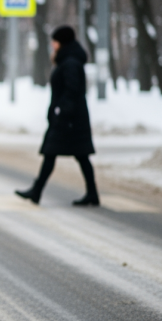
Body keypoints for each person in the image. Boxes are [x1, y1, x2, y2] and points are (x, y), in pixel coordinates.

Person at [16, 25, 99, 206]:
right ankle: (91, 193)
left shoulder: (70, 63)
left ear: (62, 42)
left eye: (55, 41)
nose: (52, 45)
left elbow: (72, 90)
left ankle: (37, 191)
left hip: (69, 120)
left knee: (56, 153)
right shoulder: (69, 60)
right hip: (71, 118)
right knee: (74, 155)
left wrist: (61, 111)